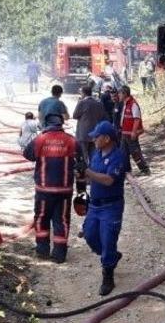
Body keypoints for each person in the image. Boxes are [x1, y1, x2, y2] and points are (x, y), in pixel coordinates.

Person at [78, 121, 127, 295]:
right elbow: (92, 177)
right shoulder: (96, 153)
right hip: (95, 205)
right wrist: (81, 177)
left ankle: (108, 276)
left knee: (108, 240)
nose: (93, 140)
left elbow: (108, 180)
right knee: (90, 235)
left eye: (96, 136)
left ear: (106, 139)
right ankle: (111, 256)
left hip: (111, 206)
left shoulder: (118, 157)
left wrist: (88, 172)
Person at [22, 114, 77, 263]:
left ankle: (42, 250)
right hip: (64, 190)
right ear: (61, 124)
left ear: (46, 124)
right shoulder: (71, 140)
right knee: (62, 220)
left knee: (41, 218)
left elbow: (27, 154)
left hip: (44, 190)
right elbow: (81, 163)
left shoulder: (40, 139)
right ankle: (59, 254)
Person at [117, 85, 150, 175]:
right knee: (123, 153)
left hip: (130, 134)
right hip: (125, 133)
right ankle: (126, 170)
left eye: (120, 93)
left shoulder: (133, 104)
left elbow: (136, 119)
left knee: (135, 153)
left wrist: (134, 132)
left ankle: (145, 170)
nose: (118, 95)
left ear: (125, 94)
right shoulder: (125, 104)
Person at [72, 84, 106, 161]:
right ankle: (93, 169)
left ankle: (85, 171)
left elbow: (75, 115)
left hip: (83, 133)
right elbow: (102, 116)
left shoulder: (82, 103)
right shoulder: (98, 103)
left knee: (83, 154)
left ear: (83, 93)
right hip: (95, 132)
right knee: (93, 153)